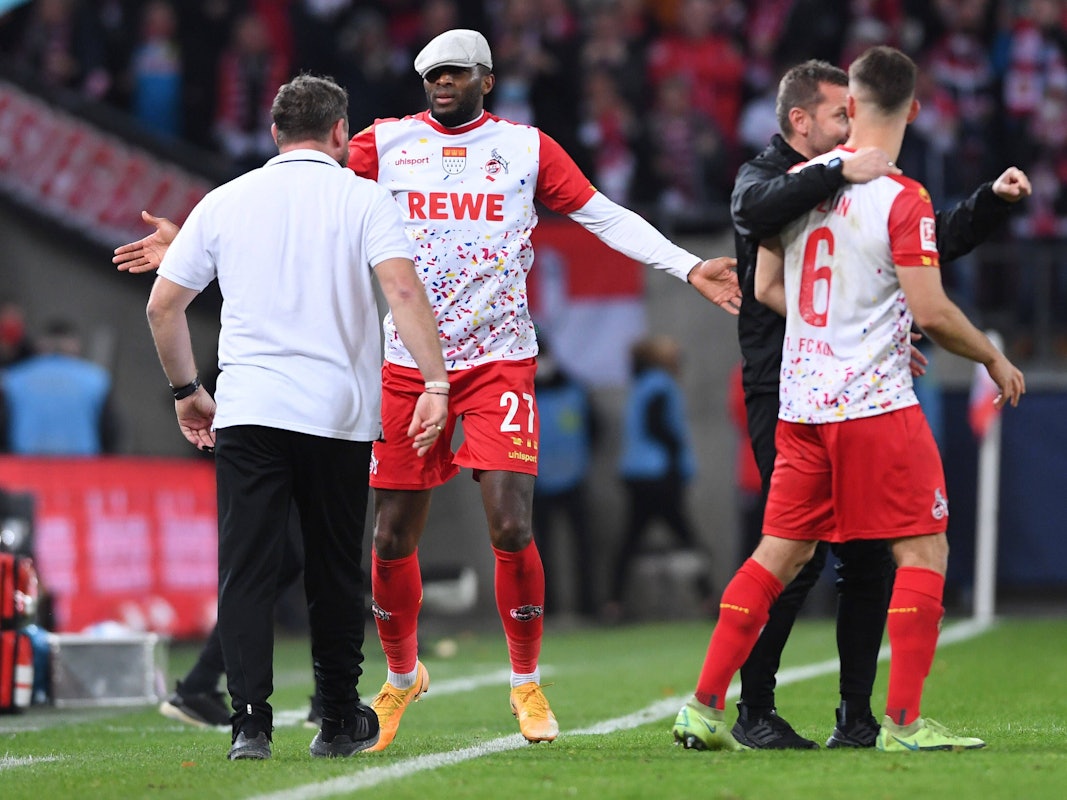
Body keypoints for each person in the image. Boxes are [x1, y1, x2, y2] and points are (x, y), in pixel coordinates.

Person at [114, 29, 741, 752]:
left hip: (499, 358)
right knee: (387, 539)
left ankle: (525, 682)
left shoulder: (526, 149)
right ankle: (404, 675)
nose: (441, 84)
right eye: (431, 75)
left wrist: (685, 265)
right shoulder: (387, 143)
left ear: (485, 78)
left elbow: (601, 214)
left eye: (454, 74)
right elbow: (290, 184)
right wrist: (191, 241)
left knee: (509, 524)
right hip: (407, 366)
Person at [673, 45, 1025, 754]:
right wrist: (988, 354)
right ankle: (898, 723)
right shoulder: (903, 197)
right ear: (914, 111)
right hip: (873, 406)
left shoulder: (798, 182)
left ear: (853, 109)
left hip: (803, 406)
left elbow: (769, 289)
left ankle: (702, 708)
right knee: (922, 548)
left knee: (776, 555)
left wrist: (839, 329)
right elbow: (928, 311)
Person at [142, 73, 449, 761]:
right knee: (334, 570)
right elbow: (400, 289)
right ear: (341, 133)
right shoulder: (364, 198)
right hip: (337, 412)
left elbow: (163, 306)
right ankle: (338, 717)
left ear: (274, 132)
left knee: (245, 570)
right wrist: (434, 380)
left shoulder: (224, 201)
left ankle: (249, 723)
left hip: (250, 410)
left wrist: (187, 390)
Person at [604, 334, 712, 621]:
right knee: (687, 538)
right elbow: (658, 426)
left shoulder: (640, 385)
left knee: (631, 540)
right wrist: (676, 455)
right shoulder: (660, 385)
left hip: (637, 475)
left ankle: (613, 602)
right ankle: (708, 598)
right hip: (659, 476)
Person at [531, 338, 598, 619]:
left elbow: (595, 429)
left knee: (584, 546)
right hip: (537, 481)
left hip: (574, 479)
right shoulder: (525, 392)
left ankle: (587, 606)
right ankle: (547, 608)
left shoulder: (574, 389)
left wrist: (581, 460)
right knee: (540, 551)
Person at [0, 319, 119, 455]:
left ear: (40, 345)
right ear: (75, 345)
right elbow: (111, 434)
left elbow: (3, 428)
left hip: (24, 468)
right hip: (83, 468)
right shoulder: (97, 380)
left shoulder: (13, 379)